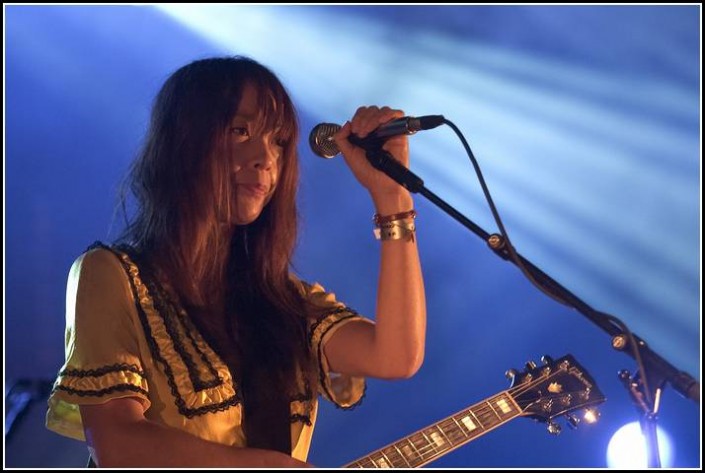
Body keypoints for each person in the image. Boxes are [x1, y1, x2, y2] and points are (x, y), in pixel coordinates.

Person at [45, 56, 426, 468]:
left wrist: (393, 200)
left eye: (279, 141)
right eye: (240, 131)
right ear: (185, 141)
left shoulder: (288, 302)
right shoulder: (110, 274)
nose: (266, 158)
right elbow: (118, 444)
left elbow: (396, 356)